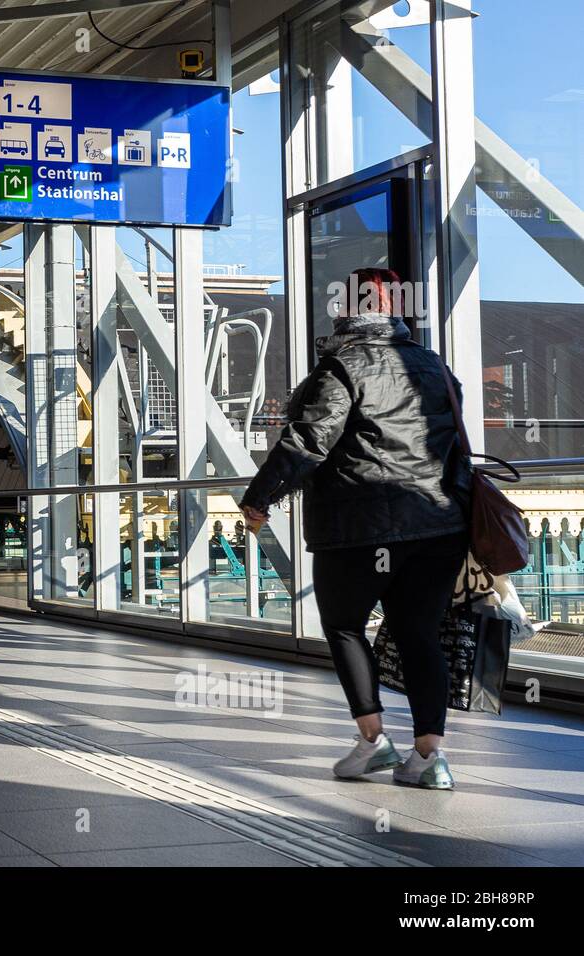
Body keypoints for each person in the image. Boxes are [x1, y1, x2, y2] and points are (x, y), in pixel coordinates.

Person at [240, 268, 470, 791]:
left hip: (360, 527)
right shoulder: (433, 365)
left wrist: (259, 498)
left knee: (345, 625)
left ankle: (372, 744)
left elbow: (308, 440)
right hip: (439, 525)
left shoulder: (342, 365)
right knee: (418, 632)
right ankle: (430, 757)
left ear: (345, 310)